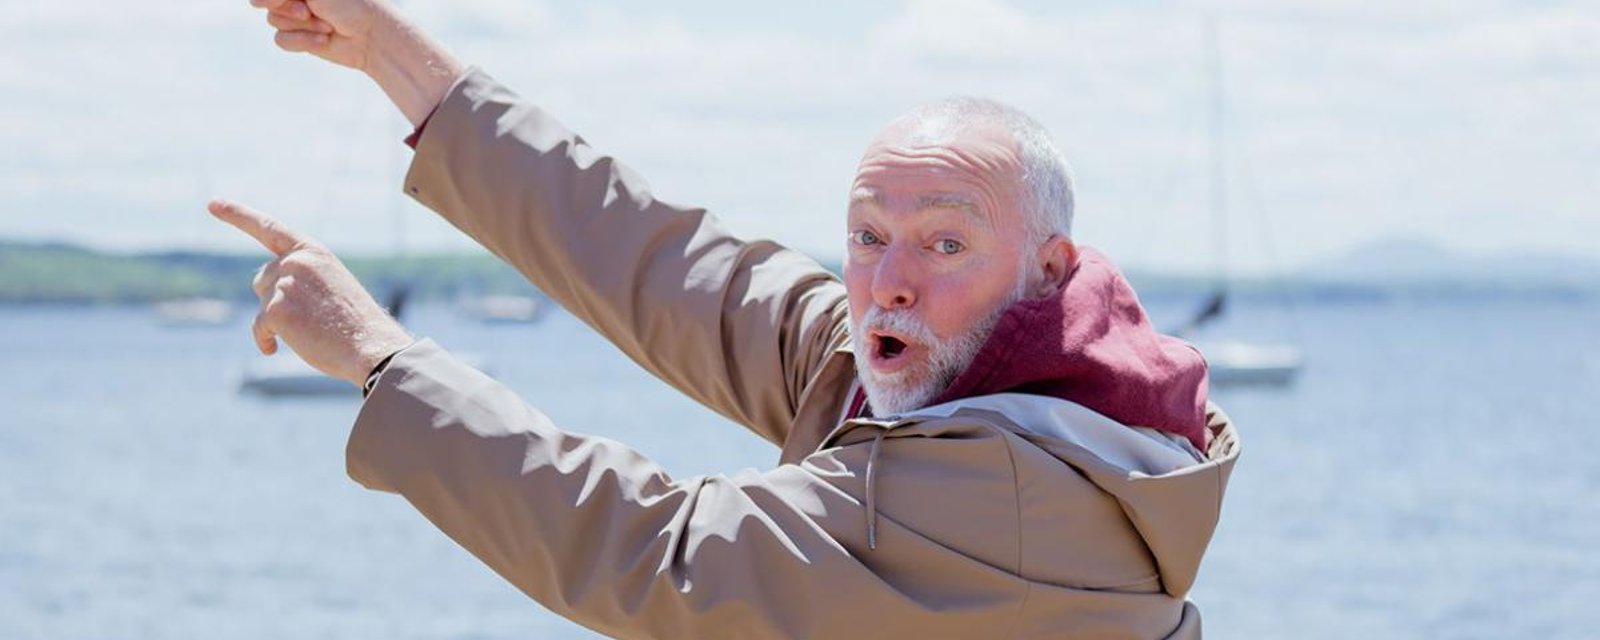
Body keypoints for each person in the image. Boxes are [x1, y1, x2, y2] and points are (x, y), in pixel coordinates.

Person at [213, 1, 1241, 637]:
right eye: (867, 233)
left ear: (1045, 269)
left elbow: (654, 550)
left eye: (942, 242)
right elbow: (664, 268)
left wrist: (378, 356)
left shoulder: (1001, 499)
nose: (887, 278)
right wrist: (396, 55)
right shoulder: (983, 372)